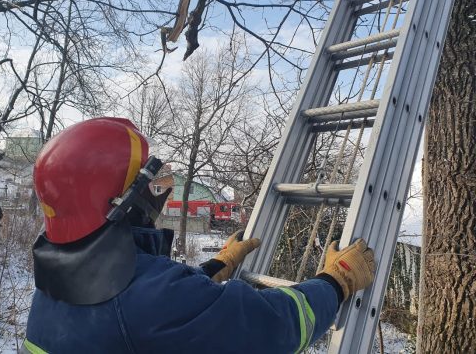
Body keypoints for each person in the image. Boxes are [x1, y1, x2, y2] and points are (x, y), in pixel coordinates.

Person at [22, 117, 375, 354]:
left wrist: (213, 268)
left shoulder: (54, 286)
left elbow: (151, 302)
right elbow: (273, 328)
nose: (159, 191)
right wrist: (335, 281)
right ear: (118, 202)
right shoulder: (147, 298)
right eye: (148, 184)